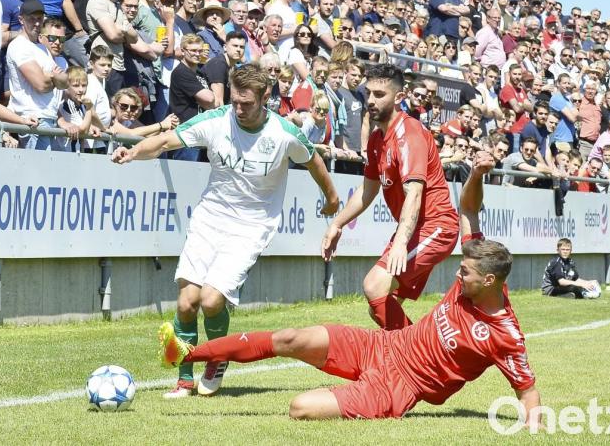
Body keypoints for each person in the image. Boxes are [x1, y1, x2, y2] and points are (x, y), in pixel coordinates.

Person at [154, 148, 542, 426]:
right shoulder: (478, 269)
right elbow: (469, 210)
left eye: (466, 274)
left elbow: (527, 392)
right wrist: (476, 174)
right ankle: (186, 354)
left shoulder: (506, 335)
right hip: (383, 346)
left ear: (489, 281)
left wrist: (533, 424)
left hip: (398, 385)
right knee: (290, 337)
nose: (458, 275)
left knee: (299, 408)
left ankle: (358, 395)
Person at [112, 63, 339, 399]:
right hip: (210, 217)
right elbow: (164, 142)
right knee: (188, 301)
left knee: (211, 299)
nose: (239, 108)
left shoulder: (283, 133)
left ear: (265, 98)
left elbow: (312, 160)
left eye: (247, 103)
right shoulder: (217, 120)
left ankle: (216, 359)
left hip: (251, 225)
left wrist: (332, 197)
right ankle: (184, 380)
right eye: (235, 101)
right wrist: (133, 153)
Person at [322, 64, 459, 331]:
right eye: (368, 93)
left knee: (374, 286)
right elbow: (368, 189)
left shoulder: (409, 134)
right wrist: (336, 224)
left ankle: (416, 357)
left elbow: (415, 192)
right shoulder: (376, 138)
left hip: (436, 226)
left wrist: (400, 243)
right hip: (414, 227)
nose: (371, 100)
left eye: (379, 94)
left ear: (399, 97)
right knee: (381, 305)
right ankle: (419, 360)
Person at [6, 0, 70, 151]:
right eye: (31, 19)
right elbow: (41, 85)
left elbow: (65, 82)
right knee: (36, 172)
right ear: (21, 20)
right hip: (34, 120)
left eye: (39, 19)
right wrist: (53, 77)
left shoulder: (42, 48)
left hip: (49, 118)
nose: (36, 23)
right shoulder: (19, 46)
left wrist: (50, 76)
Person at [201, 32, 247, 107]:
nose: (238, 49)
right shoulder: (218, 64)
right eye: (235, 46)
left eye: (241, 47)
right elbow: (218, 102)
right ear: (225, 47)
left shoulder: (234, 68)